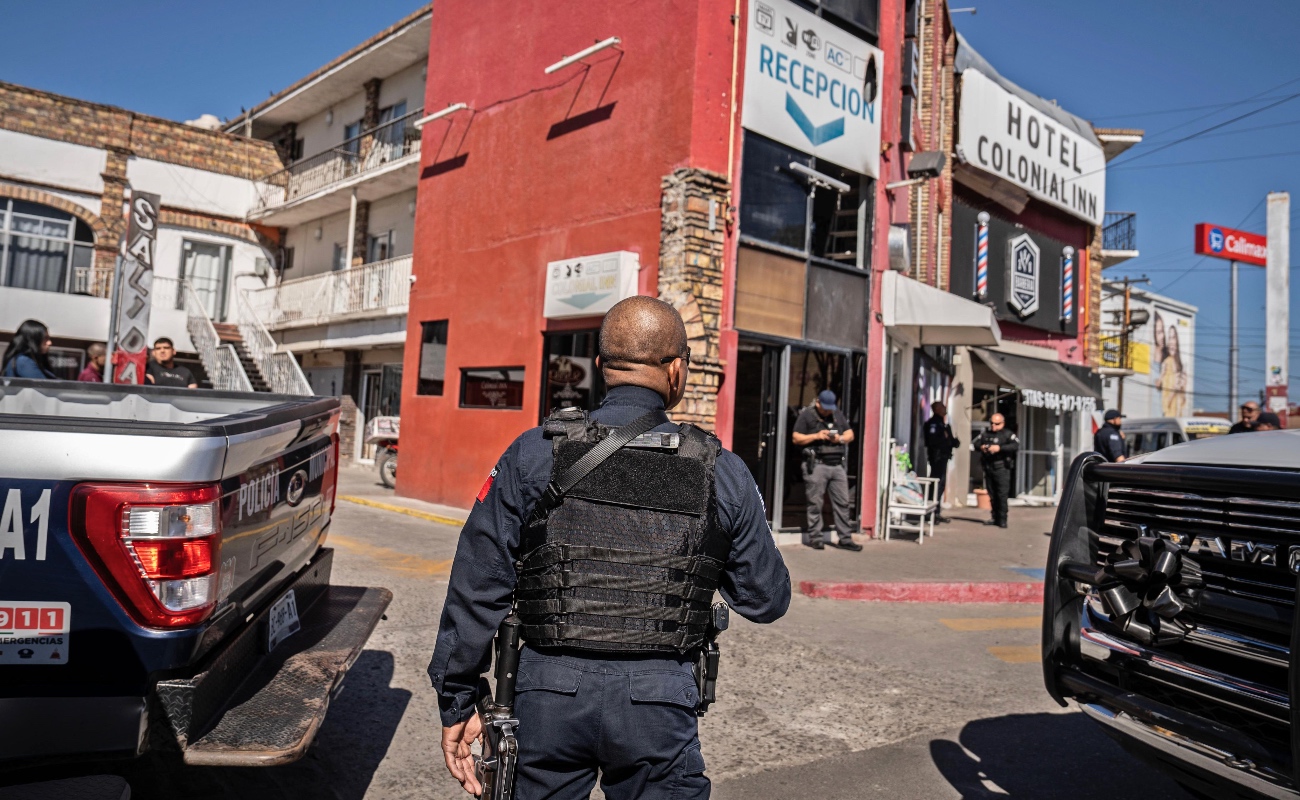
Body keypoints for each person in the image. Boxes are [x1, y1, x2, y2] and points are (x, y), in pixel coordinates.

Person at [430, 296, 790, 800]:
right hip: (658, 704)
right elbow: (766, 598)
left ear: (601, 367)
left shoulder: (533, 453)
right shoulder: (721, 470)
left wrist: (459, 700)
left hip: (546, 695)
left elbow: (475, 584)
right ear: (678, 369)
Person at [791, 389, 862, 551]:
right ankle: (816, 538)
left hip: (837, 466)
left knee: (843, 503)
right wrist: (817, 436)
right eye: (825, 407)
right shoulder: (807, 415)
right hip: (816, 464)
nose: (828, 411)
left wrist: (840, 438)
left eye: (830, 407)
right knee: (815, 503)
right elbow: (796, 437)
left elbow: (850, 433)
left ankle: (845, 538)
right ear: (818, 403)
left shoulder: (837, 414)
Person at [972, 413, 1018, 528]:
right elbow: (976, 443)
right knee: (992, 494)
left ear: (1002, 423)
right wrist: (982, 447)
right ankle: (994, 517)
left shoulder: (1007, 434)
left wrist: (999, 448)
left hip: (1002, 468)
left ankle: (1002, 519)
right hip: (989, 467)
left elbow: (1015, 446)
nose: (993, 426)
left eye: (996, 423)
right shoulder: (986, 433)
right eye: (991, 423)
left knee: (1001, 494)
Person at [922, 401, 960, 522]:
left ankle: (936, 511)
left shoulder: (943, 424)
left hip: (943, 457)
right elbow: (933, 442)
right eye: (942, 407)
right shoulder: (933, 424)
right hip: (937, 458)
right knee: (936, 484)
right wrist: (946, 441)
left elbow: (951, 441)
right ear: (937, 409)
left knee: (941, 484)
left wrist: (954, 442)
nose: (945, 409)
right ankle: (931, 513)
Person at [1159, 325, 1187, 418]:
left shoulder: (1181, 366)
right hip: (1169, 420)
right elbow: (1165, 404)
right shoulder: (1167, 363)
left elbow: (1183, 403)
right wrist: (1174, 390)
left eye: (1173, 338)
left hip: (1179, 418)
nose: (1171, 342)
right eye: (1169, 338)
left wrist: (1182, 387)